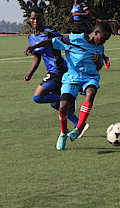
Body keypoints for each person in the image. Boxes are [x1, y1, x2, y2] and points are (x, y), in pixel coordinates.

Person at [25, 21, 112, 150]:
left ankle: (78, 128)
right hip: (72, 78)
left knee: (91, 92)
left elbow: (98, 67)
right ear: (96, 32)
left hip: (90, 77)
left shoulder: (99, 47)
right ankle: (63, 133)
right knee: (63, 107)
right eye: (103, 38)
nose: (103, 42)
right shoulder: (74, 39)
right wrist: (35, 46)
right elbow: (51, 42)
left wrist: (98, 62)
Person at [24, 7, 79, 128]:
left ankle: (68, 98)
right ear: (30, 19)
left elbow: (68, 41)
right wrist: (30, 74)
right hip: (51, 71)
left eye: (38, 19)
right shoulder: (31, 37)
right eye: (33, 19)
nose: (35, 21)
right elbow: (37, 57)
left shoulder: (49, 33)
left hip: (58, 70)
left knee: (38, 97)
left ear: (43, 19)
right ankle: (79, 124)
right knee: (54, 103)